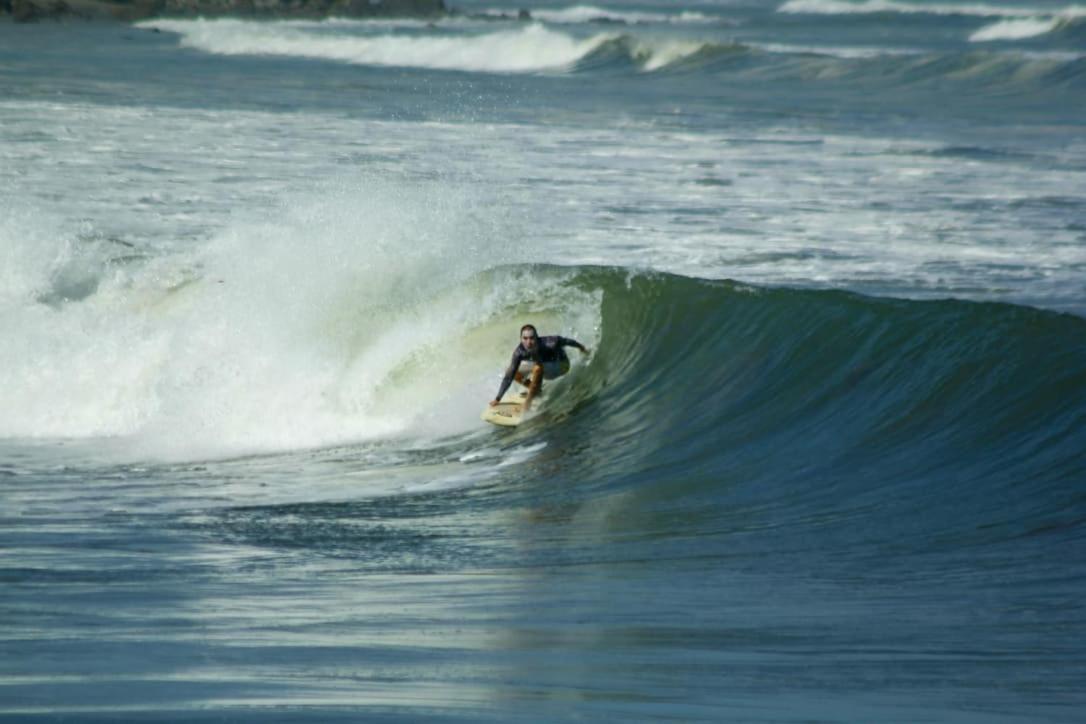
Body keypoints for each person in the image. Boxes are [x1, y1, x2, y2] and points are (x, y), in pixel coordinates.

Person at [490, 324, 590, 412]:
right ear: (521, 338)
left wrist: (582, 348)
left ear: (536, 338)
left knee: (537, 368)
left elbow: (567, 341)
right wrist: (498, 399)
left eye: (531, 338)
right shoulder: (519, 352)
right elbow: (508, 377)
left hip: (561, 366)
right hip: (542, 367)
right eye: (525, 338)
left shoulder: (550, 342)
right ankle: (536, 390)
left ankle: (528, 403)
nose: (528, 342)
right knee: (511, 371)